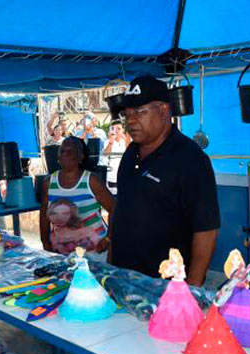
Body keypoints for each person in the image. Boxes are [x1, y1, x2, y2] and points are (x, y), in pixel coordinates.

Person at [110, 75, 220, 286]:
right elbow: (120, 210)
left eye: (140, 112)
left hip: (168, 287)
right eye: (128, 114)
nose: (131, 121)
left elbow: (206, 230)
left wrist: (192, 291)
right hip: (124, 279)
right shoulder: (129, 154)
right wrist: (111, 264)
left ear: (163, 111)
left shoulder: (190, 159)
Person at [40, 137, 116, 258]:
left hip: (95, 252)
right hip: (62, 252)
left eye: (70, 151)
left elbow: (114, 208)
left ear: (81, 157)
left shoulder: (91, 181)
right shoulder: (48, 183)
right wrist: (45, 243)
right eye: (62, 151)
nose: (65, 154)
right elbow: (44, 215)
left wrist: (108, 238)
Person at [102, 119, 131, 193]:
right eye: (114, 129)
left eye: (119, 129)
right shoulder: (108, 142)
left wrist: (125, 138)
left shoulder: (126, 141)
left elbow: (130, 151)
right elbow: (105, 154)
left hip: (125, 176)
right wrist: (111, 142)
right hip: (112, 177)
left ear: (123, 130)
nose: (117, 131)